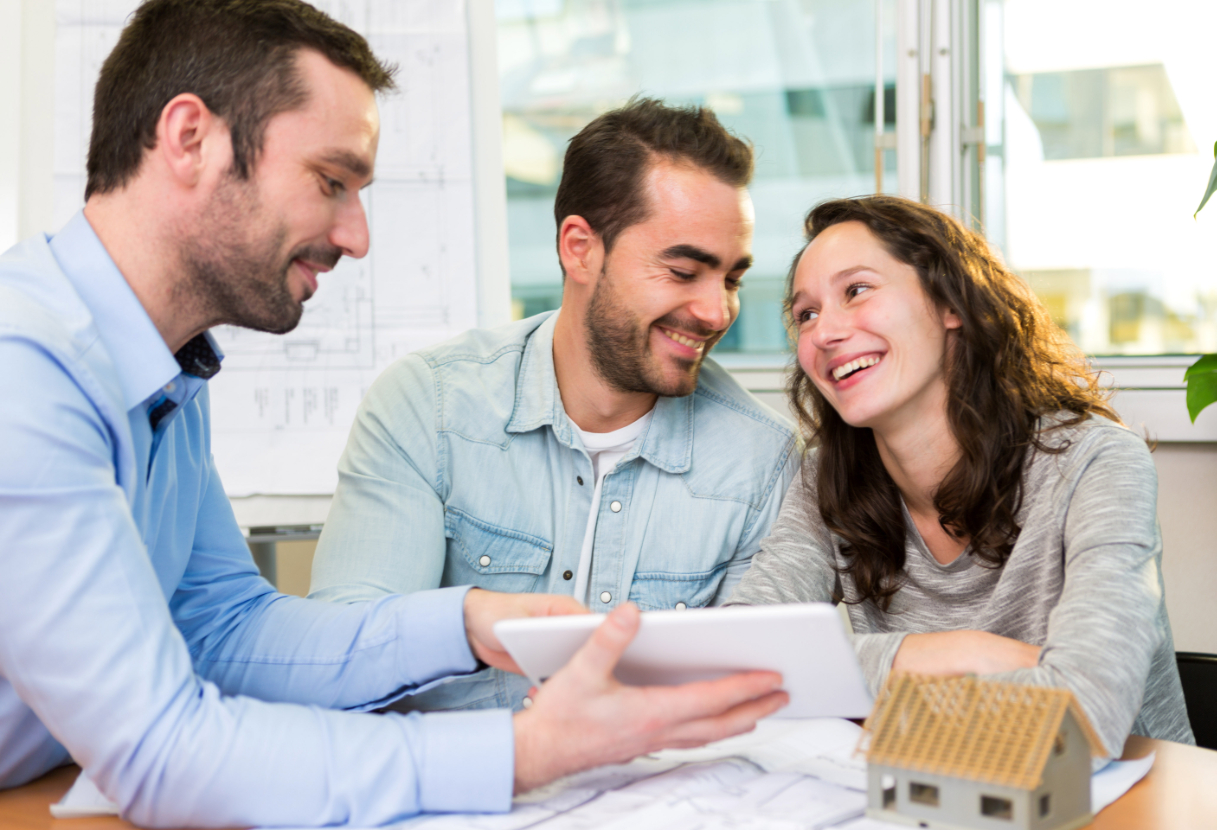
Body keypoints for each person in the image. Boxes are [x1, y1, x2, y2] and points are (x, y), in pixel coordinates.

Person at [0, 2, 789, 826]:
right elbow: (163, 753)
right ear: (190, 139)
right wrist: (525, 754)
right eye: (330, 181)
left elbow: (226, 630)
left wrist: (466, 622)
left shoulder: (168, 381)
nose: (357, 235)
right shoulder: (25, 369)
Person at [308, 99, 800, 712]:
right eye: (681, 271)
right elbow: (347, 658)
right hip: (453, 797)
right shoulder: (427, 407)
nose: (715, 311)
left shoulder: (760, 462)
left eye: (731, 279)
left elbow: (746, 700)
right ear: (579, 248)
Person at [727, 195, 1193, 756]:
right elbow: (741, 658)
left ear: (950, 302)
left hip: (1123, 801)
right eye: (806, 314)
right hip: (941, 793)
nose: (824, 332)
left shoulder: (1097, 461)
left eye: (857, 290)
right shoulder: (826, 475)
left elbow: (1086, 711)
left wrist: (837, 675)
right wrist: (951, 654)